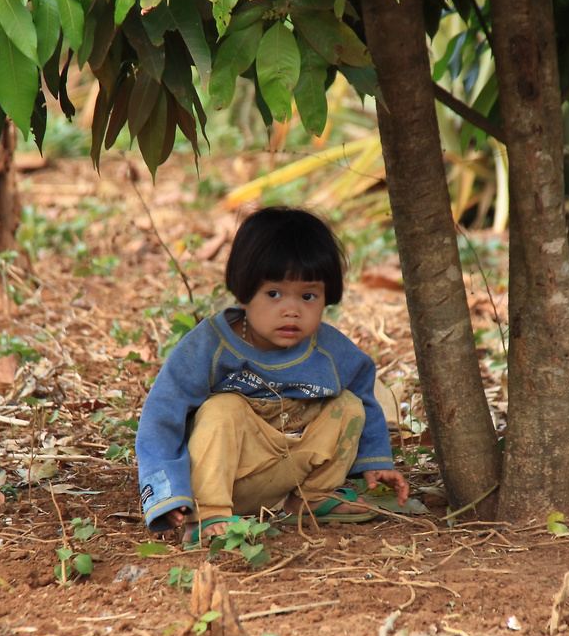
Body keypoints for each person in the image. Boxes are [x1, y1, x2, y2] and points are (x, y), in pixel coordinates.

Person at [135, 206, 409, 547]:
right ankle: (208, 517)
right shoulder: (209, 347)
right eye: (274, 294)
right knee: (224, 409)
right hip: (223, 477)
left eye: (309, 296)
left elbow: (365, 398)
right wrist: (167, 494)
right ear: (244, 289)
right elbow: (160, 419)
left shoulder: (329, 350)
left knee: (349, 405)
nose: (292, 310)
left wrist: (375, 460)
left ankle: (311, 498)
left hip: (288, 466)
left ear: (327, 296)